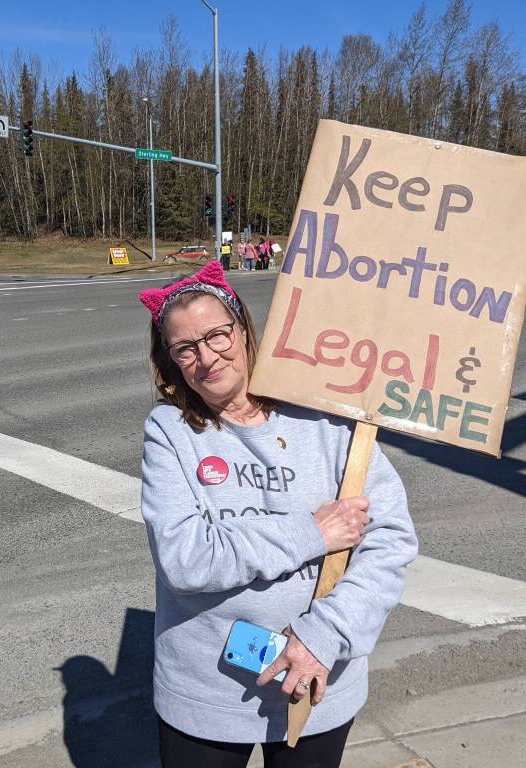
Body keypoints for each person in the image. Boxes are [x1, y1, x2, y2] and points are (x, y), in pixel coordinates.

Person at [136, 261, 417, 768]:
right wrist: (312, 532)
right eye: (185, 348)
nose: (206, 357)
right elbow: (185, 560)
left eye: (217, 334)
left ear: (243, 329)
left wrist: (322, 635)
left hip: (318, 675)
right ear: (172, 361)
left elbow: (388, 540)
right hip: (207, 691)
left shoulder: (326, 417)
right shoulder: (171, 431)